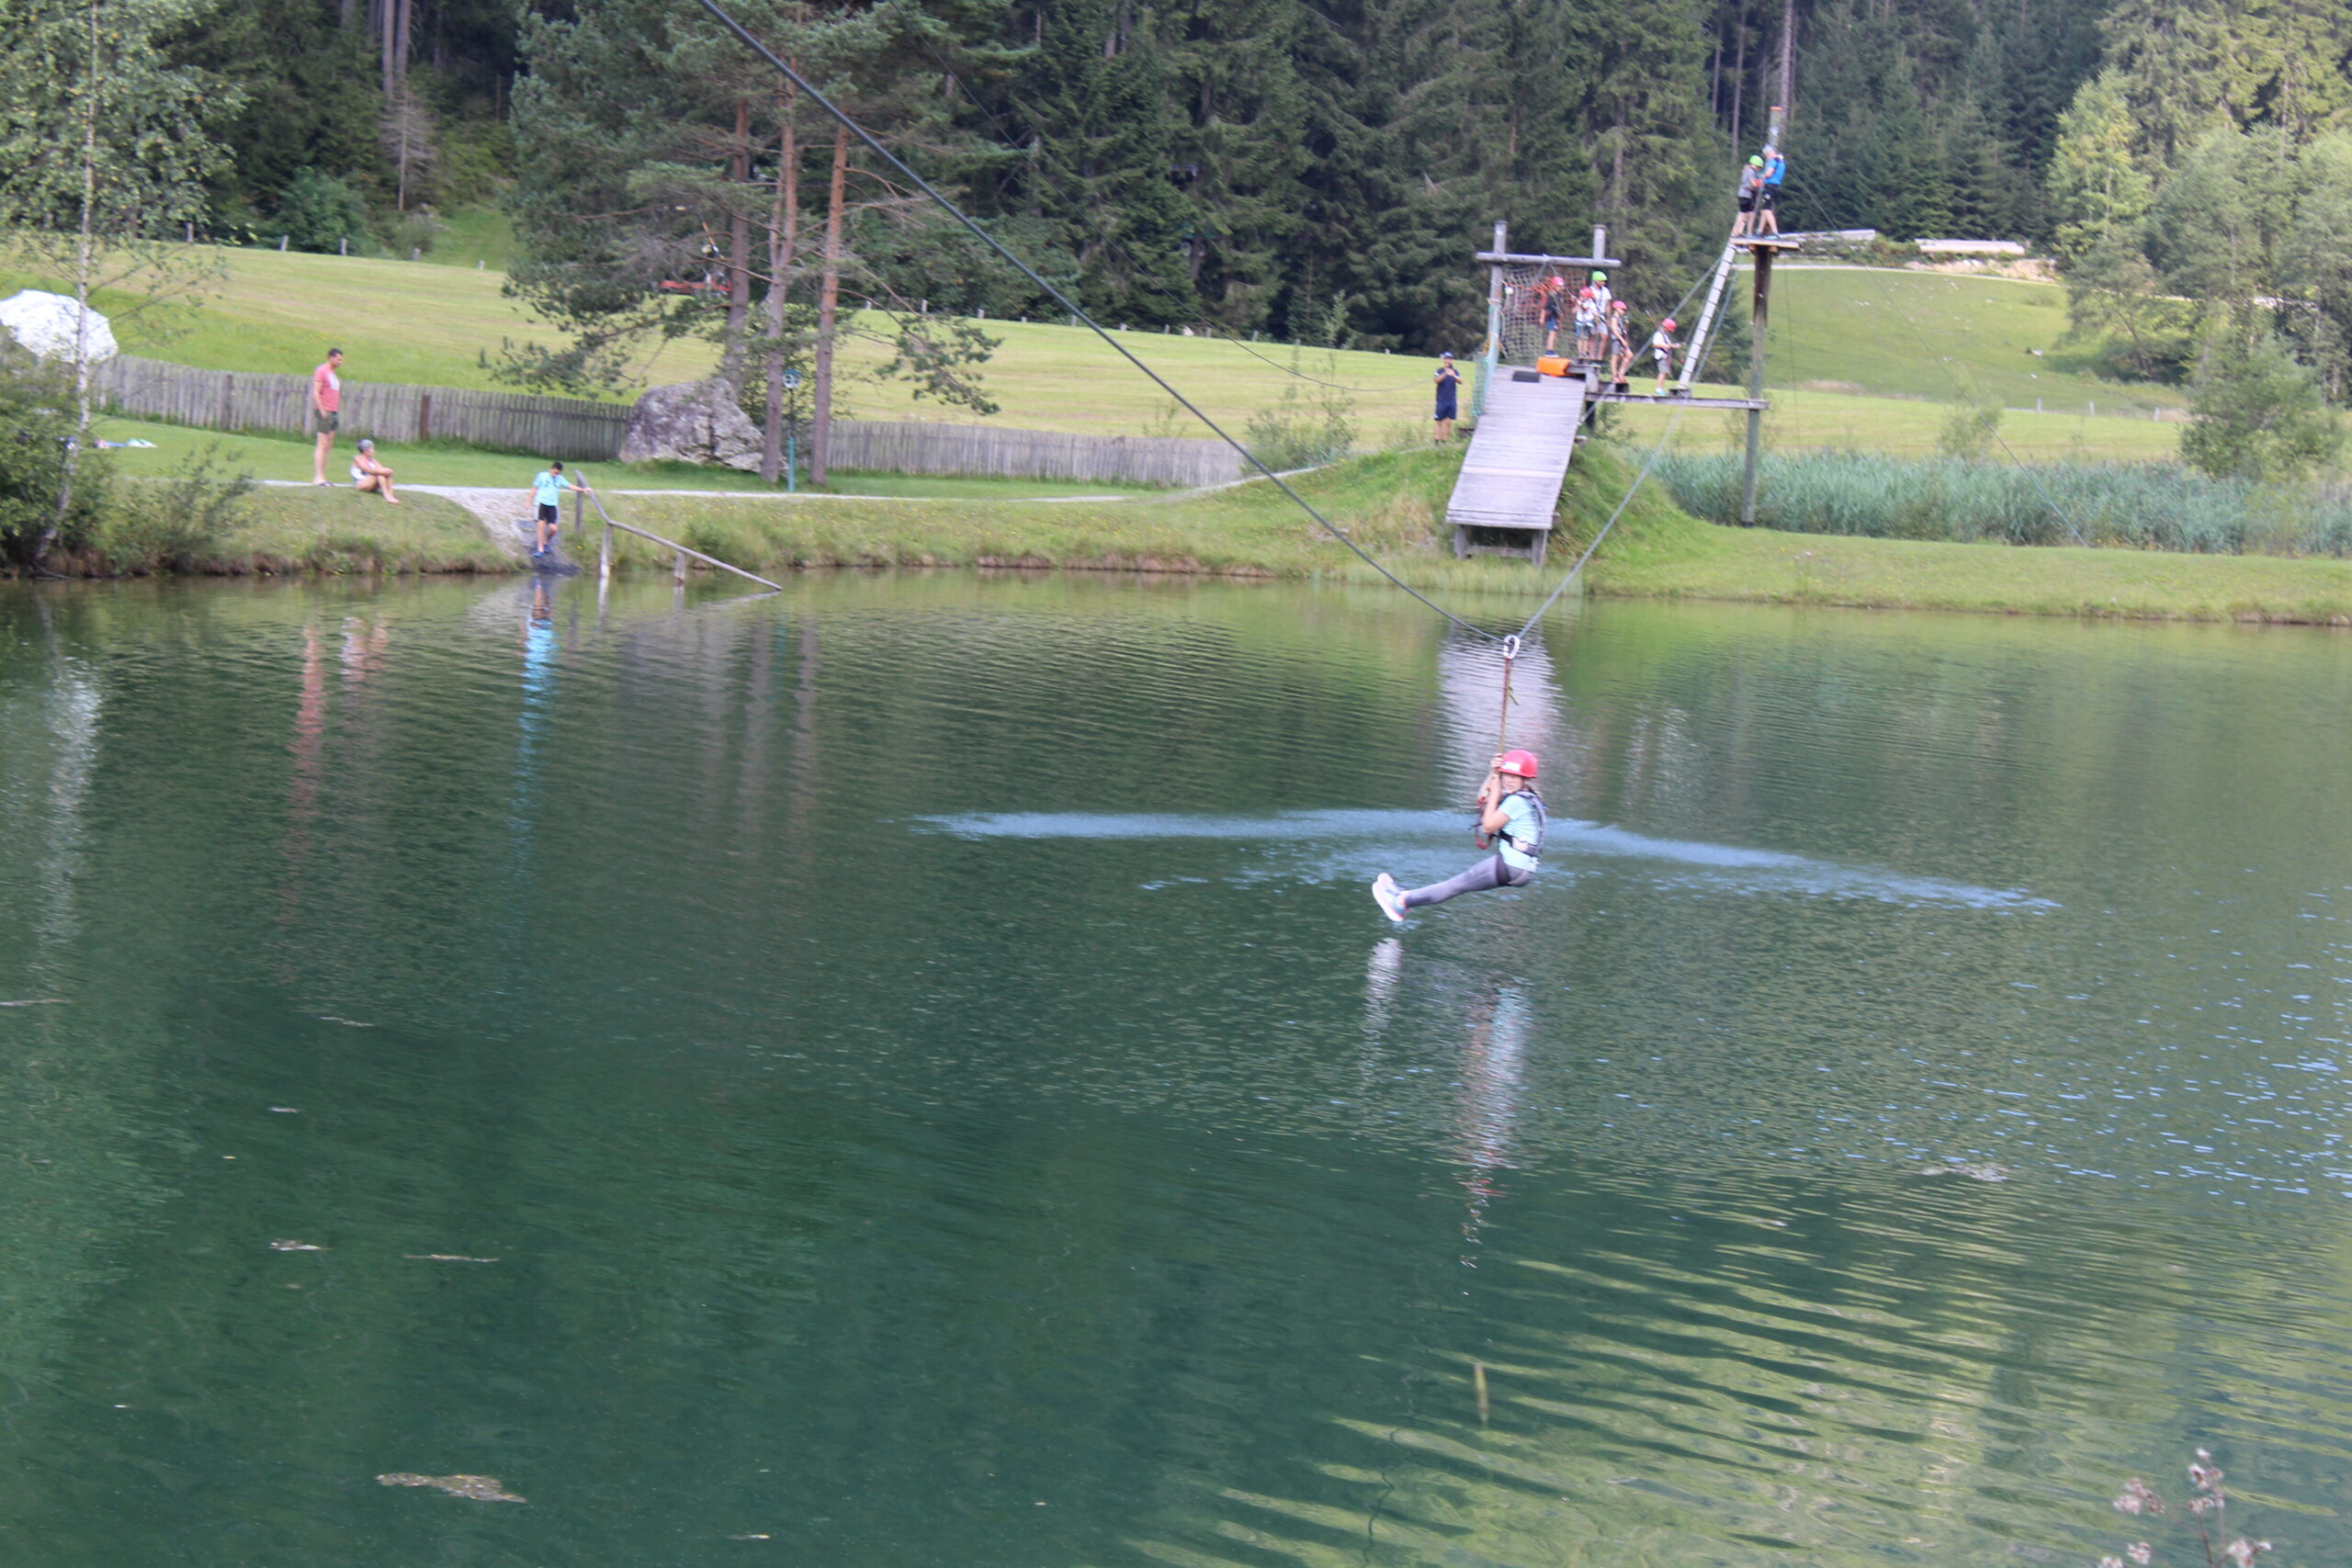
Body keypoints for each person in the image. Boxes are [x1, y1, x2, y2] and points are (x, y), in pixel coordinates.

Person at [1372, 750, 1545, 922]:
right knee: (1458, 885)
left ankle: (1401, 902)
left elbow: (1487, 827)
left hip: (1511, 866)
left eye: (1515, 776)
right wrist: (1492, 774)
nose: (1509, 780)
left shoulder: (1517, 801)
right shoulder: (1523, 797)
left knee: (1455, 886)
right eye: (1506, 774)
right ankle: (1405, 897)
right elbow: (1483, 799)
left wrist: (1496, 790)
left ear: (1526, 779)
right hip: (1519, 868)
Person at [529, 460, 592, 558]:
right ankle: (540, 550)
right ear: (550, 469)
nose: (555, 475)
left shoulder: (560, 479)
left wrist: (583, 490)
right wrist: (528, 501)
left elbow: (570, 486)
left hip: (552, 505)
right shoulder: (542, 476)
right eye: (554, 472)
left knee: (553, 528)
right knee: (540, 526)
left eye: (557, 473)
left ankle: (546, 542)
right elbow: (534, 488)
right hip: (542, 503)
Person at [310, 348, 344, 486]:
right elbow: (316, 393)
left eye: (341, 359)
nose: (340, 362)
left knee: (329, 445)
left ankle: (323, 476)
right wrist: (322, 410)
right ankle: (318, 477)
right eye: (338, 359)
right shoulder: (322, 371)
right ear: (331, 357)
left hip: (334, 411)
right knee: (322, 444)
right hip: (325, 411)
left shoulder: (333, 374)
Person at [349, 437, 400, 504]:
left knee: (385, 473)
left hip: (372, 485)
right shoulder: (358, 459)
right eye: (372, 449)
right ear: (366, 451)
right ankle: (386, 495)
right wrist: (382, 471)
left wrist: (388, 471)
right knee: (379, 473)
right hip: (361, 484)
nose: (374, 451)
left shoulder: (373, 460)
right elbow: (367, 470)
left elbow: (381, 469)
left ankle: (390, 495)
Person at [1432, 351, 1461, 442]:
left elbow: (1460, 381)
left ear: (1452, 360)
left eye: (1449, 359)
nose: (1448, 361)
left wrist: (1454, 376)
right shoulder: (1439, 371)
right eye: (1446, 359)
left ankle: (1445, 441)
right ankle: (1437, 440)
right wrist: (1445, 373)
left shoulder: (1455, 371)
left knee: (1448, 422)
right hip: (1441, 400)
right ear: (1444, 360)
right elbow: (1436, 380)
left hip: (1451, 400)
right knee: (1439, 421)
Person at [1758, 145, 1785, 237]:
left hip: (1770, 187)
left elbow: (1769, 174)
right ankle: (1759, 231)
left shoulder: (1773, 161)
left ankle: (1775, 231)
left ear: (1769, 153)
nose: (1767, 158)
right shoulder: (1782, 162)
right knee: (1764, 209)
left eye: (1766, 155)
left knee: (1766, 210)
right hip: (1776, 187)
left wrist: (1762, 176)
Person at [1607, 299, 1634, 384]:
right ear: (1617, 309)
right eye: (1622, 309)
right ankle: (1614, 376)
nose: (1623, 312)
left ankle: (1620, 373)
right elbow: (1615, 330)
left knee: (1629, 355)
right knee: (1614, 358)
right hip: (1616, 339)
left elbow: (1624, 330)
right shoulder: (1614, 318)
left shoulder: (1621, 319)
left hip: (1622, 339)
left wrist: (1626, 325)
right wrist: (1622, 340)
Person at [1649, 317, 1679, 394]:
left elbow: (1668, 344)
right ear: (1666, 328)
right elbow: (1655, 344)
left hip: (1666, 357)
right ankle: (1658, 389)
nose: (1670, 332)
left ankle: (1661, 388)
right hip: (1661, 356)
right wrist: (1665, 346)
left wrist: (1673, 346)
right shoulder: (1658, 334)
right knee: (1662, 372)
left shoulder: (1665, 335)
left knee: (1666, 373)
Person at [1539, 273, 1566, 353]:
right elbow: (1545, 307)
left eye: (1561, 286)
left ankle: (1551, 349)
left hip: (1556, 317)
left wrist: (1559, 321)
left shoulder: (1559, 296)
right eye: (1559, 286)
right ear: (1554, 286)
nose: (1560, 288)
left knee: (1554, 333)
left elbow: (1560, 308)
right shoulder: (1551, 295)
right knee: (1552, 333)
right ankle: (1549, 350)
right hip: (1551, 316)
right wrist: (1542, 318)